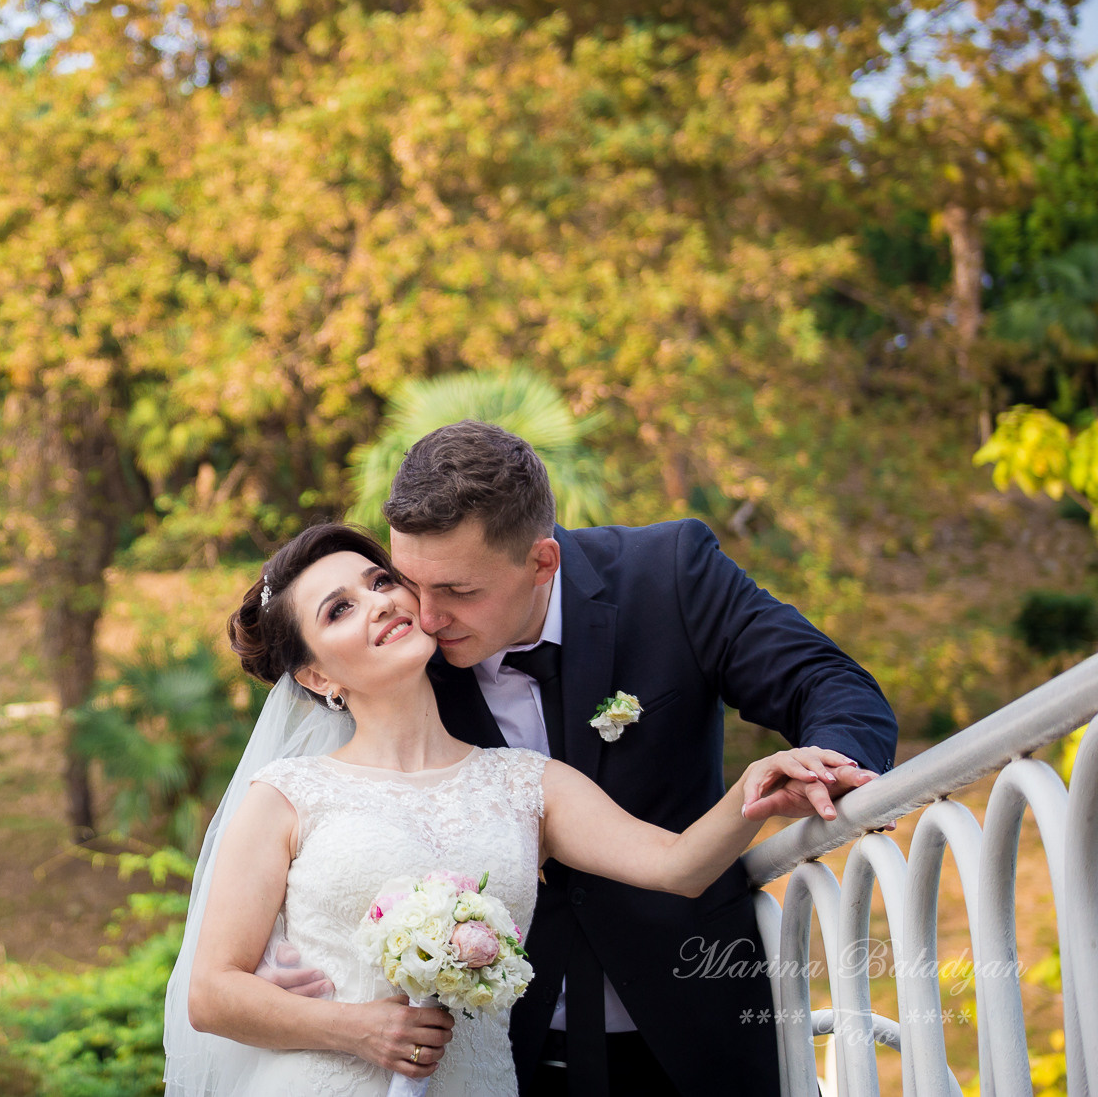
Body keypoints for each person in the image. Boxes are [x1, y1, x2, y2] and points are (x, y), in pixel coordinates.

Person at [258, 421, 899, 1094]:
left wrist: (835, 768)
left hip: (696, 1017)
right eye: (410, 580)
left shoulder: (669, 574)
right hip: (496, 1050)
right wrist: (288, 949)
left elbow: (827, 682)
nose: (426, 612)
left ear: (542, 562)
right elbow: (331, 798)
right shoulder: (402, 655)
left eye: (459, 591)